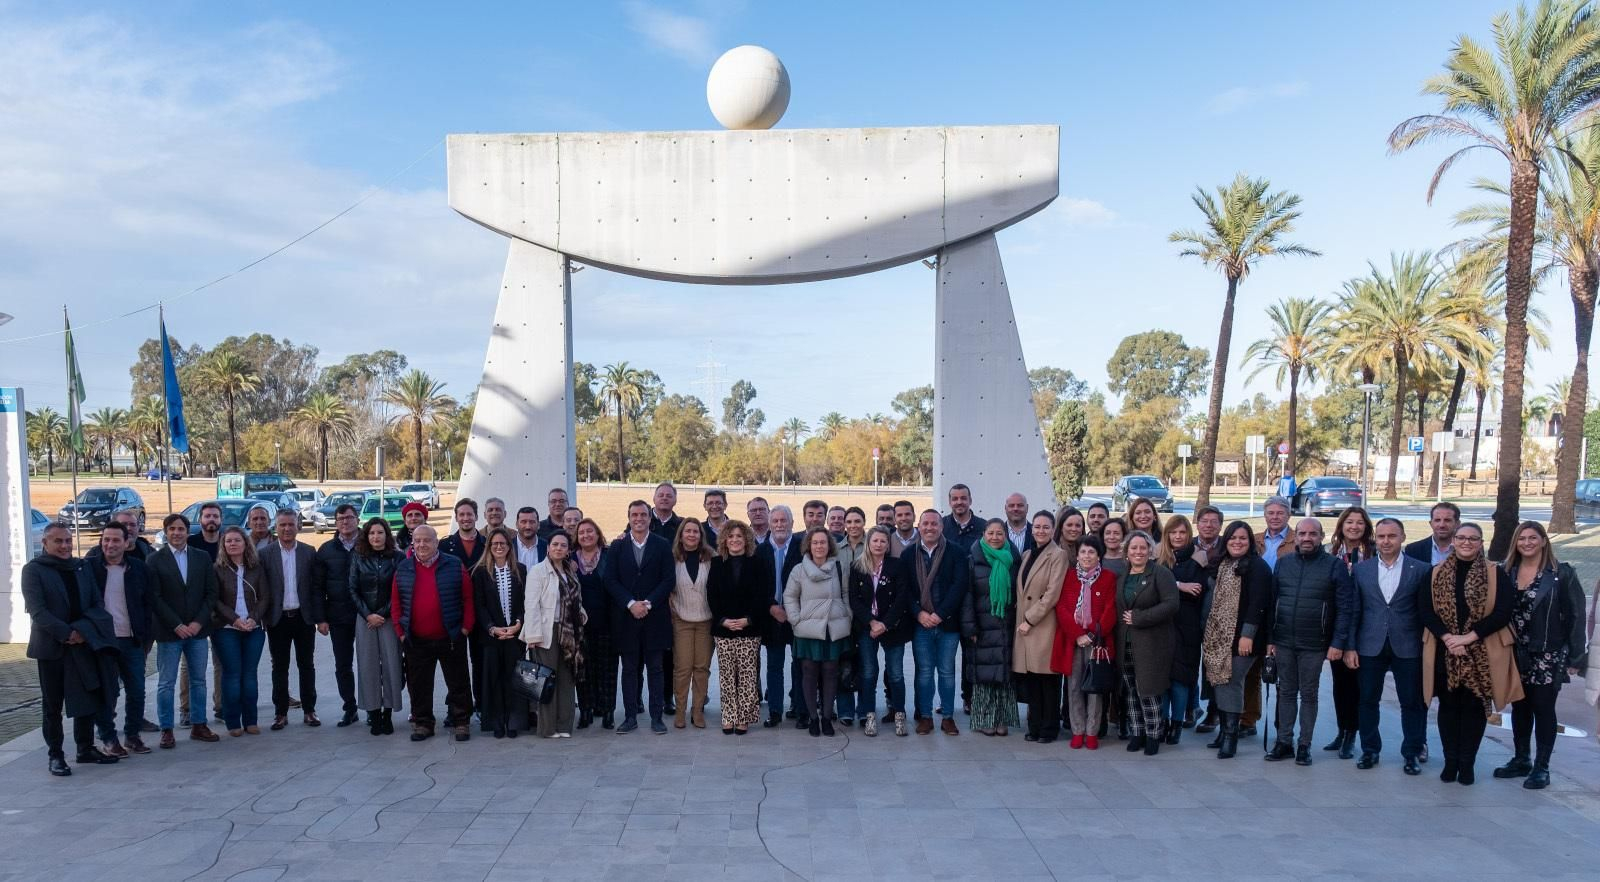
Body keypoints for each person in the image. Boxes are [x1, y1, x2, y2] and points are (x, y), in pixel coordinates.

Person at [1420, 522, 1520, 785]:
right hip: (1446, 652)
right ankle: (1450, 760)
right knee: (1449, 707)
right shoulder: (1436, 573)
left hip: (1481, 652)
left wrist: (1469, 637)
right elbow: (1425, 610)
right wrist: (1449, 638)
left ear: (1481, 543)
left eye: (1473, 538)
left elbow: (1502, 612)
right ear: (1453, 540)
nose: (1466, 542)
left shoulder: (1496, 574)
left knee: (1474, 709)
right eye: (1461, 537)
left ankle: (1467, 763)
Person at [1493, 521, 1588, 789]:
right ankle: (1521, 758)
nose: (1527, 543)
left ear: (1544, 541)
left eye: (1533, 538)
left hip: (1548, 652)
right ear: (1516, 542)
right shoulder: (1506, 571)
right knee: (1519, 707)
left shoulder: (1561, 573)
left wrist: (1575, 657)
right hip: (1514, 651)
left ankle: (1542, 767)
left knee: (1543, 709)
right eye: (1522, 538)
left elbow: (1576, 615)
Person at [25, 522, 118, 775]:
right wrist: (67, 634)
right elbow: (38, 610)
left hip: (83, 643)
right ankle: (55, 755)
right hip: (52, 648)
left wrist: (83, 633)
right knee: (53, 705)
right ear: (45, 543)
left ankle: (85, 748)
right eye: (58, 541)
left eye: (68, 541)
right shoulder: (33, 570)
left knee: (87, 698)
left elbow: (96, 604)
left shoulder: (82, 567)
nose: (65, 546)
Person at [1339, 517, 1430, 774]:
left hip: (1408, 645)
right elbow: (1354, 610)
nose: (1386, 541)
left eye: (1392, 536)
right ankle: (1370, 750)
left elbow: (1424, 612)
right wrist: (1350, 646)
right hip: (1370, 645)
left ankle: (1412, 752)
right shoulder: (1361, 570)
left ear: (1402, 538)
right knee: (1367, 700)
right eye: (1381, 537)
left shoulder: (1420, 569)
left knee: (1412, 702)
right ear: (1375, 539)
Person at [1265, 519, 1353, 767]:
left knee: (1309, 694)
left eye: (1313, 534)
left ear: (1321, 536)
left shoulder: (1334, 566)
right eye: (1302, 533)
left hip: (1315, 642)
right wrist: (1270, 639)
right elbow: (1273, 603)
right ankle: (1284, 742)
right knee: (1286, 692)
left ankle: (1304, 745)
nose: (1307, 538)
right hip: (1283, 640)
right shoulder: (1283, 564)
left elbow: (1345, 608)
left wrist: (1337, 642)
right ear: (1296, 536)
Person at [392, 525, 475, 742]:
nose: (421, 544)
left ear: (436, 542)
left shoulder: (454, 565)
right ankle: (423, 723)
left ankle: (461, 722)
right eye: (417, 540)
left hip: (450, 637)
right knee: (419, 685)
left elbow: (468, 598)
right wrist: (401, 632)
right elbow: (396, 603)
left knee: (458, 683)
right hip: (416, 640)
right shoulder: (404, 568)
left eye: (426, 540)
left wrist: (465, 628)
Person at [1200, 521, 1272, 759]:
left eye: (1243, 538)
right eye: (1233, 538)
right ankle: (1223, 731)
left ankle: (1231, 736)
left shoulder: (1258, 567)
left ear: (1250, 542)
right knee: (1219, 682)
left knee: (1231, 682)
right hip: (1218, 636)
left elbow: (1258, 605)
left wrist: (1247, 636)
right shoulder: (1222, 564)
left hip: (1243, 638)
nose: (1237, 542)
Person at [149, 513, 220, 748]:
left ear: (187, 532)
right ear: (166, 532)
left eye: (181, 529)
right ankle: (167, 729)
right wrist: (176, 625)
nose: (177, 533)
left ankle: (199, 724)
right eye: (172, 529)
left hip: (197, 632)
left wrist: (198, 623)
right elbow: (154, 598)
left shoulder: (201, 558)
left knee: (198, 680)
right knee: (166, 682)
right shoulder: (155, 560)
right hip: (170, 633)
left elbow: (211, 594)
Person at [606, 500, 674, 734]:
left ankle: (657, 718)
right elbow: (610, 580)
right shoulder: (617, 546)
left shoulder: (662, 545)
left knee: (656, 669)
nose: (639, 519)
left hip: (654, 618)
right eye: (634, 514)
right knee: (629, 669)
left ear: (649, 518)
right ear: (629, 517)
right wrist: (630, 603)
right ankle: (630, 716)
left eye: (643, 514)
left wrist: (648, 603)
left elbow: (668, 580)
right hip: (626, 619)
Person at [85, 522, 152, 757]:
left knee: (137, 690)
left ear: (126, 543)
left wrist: (144, 636)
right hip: (103, 642)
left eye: (115, 540)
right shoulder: (89, 568)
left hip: (131, 640)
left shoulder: (138, 568)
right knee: (108, 693)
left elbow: (147, 604)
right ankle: (109, 738)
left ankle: (132, 736)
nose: (110, 544)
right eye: (106, 539)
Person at [904, 509, 969, 735]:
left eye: (934, 524)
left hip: (948, 624)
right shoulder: (908, 554)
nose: (930, 528)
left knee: (947, 672)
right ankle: (925, 716)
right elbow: (905, 590)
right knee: (923, 672)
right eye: (925, 524)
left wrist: (940, 614)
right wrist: (919, 614)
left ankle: (948, 717)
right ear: (918, 527)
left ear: (941, 527)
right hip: (920, 624)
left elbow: (959, 586)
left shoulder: (956, 552)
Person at [1115, 530, 1179, 755]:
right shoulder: (1123, 576)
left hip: (1153, 644)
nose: (1138, 552)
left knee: (1148, 690)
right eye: (1133, 548)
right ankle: (1137, 732)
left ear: (1150, 550)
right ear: (1127, 551)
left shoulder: (1161, 574)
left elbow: (1171, 604)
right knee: (1131, 690)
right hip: (1127, 644)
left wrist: (1140, 617)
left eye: (1143, 547)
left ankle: (1153, 734)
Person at [850, 525, 916, 737]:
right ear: (868, 543)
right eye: (875, 540)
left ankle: (899, 715)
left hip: (893, 628)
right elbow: (854, 599)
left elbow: (901, 598)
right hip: (867, 628)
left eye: (883, 541)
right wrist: (871, 622)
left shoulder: (897, 566)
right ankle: (869, 715)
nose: (879, 544)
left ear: (888, 545)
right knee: (869, 672)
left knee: (895, 673)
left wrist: (884, 624)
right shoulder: (857, 566)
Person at [785, 527, 852, 737]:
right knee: (809, 673)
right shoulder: (798, 570)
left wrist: (846, 616)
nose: (819, 546)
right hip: (808, 630)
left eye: (823, 542)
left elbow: (846, 594)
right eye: (815, 542)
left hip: (833, 628)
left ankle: (826, 717)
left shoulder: (839, 568)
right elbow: (790, 597)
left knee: (831, 673)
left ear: (829, 545)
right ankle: (813, 718)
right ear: (809, 546)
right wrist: (796, 620)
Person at [261, 509, 323, 730]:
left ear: (298, 526)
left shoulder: (309, 552)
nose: (287, 529)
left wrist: (319, 617)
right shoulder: (266, 554)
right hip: (277, 620)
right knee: (280, 667)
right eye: (282, 525)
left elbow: (316, 588)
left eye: (291, 524)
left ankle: (309, 710)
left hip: (303, 618)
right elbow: (262, 589)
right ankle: (280, 713)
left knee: (307, 665)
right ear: (275, 527)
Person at [1053, 534, 1115, 749]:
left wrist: (1092, 634)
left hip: (1097, 642)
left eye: (1091, 552)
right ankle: (1077, 730)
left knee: (1095, 689)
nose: (1087, 556)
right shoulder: (1069, 577)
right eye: (1083, 552)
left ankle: (1092, 732)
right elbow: (1061, 608)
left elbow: (1110, 610)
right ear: (1077, 555)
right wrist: (1077, 634)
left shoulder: (1108, 578)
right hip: (1073, 642)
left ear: (1099, 555)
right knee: (1074, 687)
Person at [525, 532, 587, 738]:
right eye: (555, 544)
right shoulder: (538, 571)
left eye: (563, 545)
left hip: (569, 631)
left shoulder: (570, 571)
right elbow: (531, 605)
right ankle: (548, 727)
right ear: (548, 547)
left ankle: (563, 725)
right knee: (547, 680)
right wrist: (533, 636)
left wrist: (582, 616)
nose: (559, 548)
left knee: (567, 678)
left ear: (568, 550)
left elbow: (576, 600)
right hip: (546, 631)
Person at [708, 519, 768, 735]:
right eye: (731, 536)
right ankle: (728, 716)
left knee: (747, 675)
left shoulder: (757, 563)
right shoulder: (716, 564)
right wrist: (722, 620)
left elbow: (763, 596)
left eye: (739, 536)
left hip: (749, 629)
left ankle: (743, 717)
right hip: (724, 628)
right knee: (726, 674)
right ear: (724, 539)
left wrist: (748, 620)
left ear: (746, 539)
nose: (735, 540)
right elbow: (711, 596)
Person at [1324, 506, 1375, 758]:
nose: (1354, 527)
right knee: (1340, 684)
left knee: (1359, 686)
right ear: (1341, 525)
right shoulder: (1330, 553)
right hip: (1337, 628)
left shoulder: (1374, 553)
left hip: (1367, 629)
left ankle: (1354, 733)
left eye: (1360, 523)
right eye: (1349, 522)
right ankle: (1342, 729)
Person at [963, 519, 1020, 736]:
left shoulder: (1013, 560)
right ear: (983, 535)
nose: (995, 537)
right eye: (991, 533)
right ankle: (984, 719)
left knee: (1004, 677)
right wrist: (970, 628)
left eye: (999, 533)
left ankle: (1002, 719)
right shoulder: (973, 560)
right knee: (984, 677)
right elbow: (967, 597)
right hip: (983, 627)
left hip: (1006, 625)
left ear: (1006, 536)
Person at [1013, 512, 1066, 743]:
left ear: (1053, 529)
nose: (1041, 531)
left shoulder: (1059, 555)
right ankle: (1034, 726)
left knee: (1048, 682)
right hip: (1025, 626)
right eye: (1037, 527)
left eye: (1046, 527)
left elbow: (1052, 594)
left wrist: (1030, 619)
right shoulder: (1027, 554)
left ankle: (1049, 728)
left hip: (1042, 625)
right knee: (1032, 680)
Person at [211, 526, 268, 737]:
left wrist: (253, 619)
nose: (232, 544)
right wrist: (235, 620)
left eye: (237, 540)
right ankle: (233, 722)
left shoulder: (257, 568)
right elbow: (214, 600)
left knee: (249, 675)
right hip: (226, 629)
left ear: (245, 543)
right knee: (232, 675)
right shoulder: (217, 569)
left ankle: (251, 720)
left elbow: (265, 597)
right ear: (223, 546)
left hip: (253, 628)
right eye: (228, 541)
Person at [349, 517, 404, 735]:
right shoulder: (358, 557)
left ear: (386, 535)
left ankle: (387, 714)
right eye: (372, 533)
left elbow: (399, 589)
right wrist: (368, 614)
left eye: (380, 533)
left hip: (389, 619)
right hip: (365, 620)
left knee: (391, 665)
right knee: (368, 665)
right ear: (366, 535)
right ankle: (373, 714)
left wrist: (382, 614)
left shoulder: (397, 558)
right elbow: (352, 588)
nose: (376, 537)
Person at [472, 527, 528, 738]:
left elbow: (524, 601)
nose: (498, 547)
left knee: (514, 678)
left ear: (508, 547)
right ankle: (496, 721)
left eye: (502, 544)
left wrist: (518, 624)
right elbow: (480, 605)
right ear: (489, 547)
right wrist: (491, 628)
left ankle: (514, 721)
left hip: (514, 635)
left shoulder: (520, 570)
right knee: (493, 679)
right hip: (491, 636)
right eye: (494, 544)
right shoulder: (480, 572)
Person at [314, 504, 362, 727]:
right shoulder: (326, 550)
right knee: (343, 665)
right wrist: (320, 618)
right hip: (338, 616)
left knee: (370, 664)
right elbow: (317, 587)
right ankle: (349, 708)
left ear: (357, 519)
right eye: (341, 518)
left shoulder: (369, 543)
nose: (345, 522)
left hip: (366, 617)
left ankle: (372, 707)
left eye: (349, 518)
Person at [1157, 515, 1203, 746]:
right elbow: (1153, 585)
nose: (1177, 536)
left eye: (1182, 532)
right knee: (1163, 678)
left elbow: (1198, 590)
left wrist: (1174, 586)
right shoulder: (1159, 559)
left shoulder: (1198, 559)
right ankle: (1163, 721)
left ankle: (1177, 723)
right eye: (1173, 532)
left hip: (1188, 626)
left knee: (1181, 679)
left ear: (1188, 534)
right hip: (1162, 626)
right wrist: (1178, 586)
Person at [760, 505, 806, 728]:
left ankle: (798, 707)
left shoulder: (801, 548)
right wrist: (771, 607)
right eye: (775, 521)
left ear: (791, 523)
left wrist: (792, 610)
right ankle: (775, 710)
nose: (779, 525)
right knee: (774, 666)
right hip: (771, 617)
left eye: (783, 520)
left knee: (799, 664)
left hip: (797, 616)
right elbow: (756, 588)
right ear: (769, 524)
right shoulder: (759, 551)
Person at [670, 518, 714, 729]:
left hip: (706, 620)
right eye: (687, 531)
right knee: (682, 668)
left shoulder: (710, 557)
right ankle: (680, 711)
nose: (691, 535)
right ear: (681, 534)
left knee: (701, 668)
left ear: (700, 535)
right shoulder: (673, 558)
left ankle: (697, 711)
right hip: (681, 620)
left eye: (695, 531)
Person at [573, 517, 616, 729]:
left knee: (607, 669)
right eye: (581, 533)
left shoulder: (609, 556)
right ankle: (586, 710)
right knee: (583, 670)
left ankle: (608, 712)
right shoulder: (570, 559)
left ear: (598, 534)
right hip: (579, 626)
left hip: (607, 622)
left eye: (590, 531)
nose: (586, 535)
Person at [832, 506, 869, 725]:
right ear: (844, 525)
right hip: (842, 616)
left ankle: (864, 709)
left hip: (866, 617)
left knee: (866, 664)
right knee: (843, 663)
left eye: (857, 521)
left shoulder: (872, 546)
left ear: (864, 522)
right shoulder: (836, 549)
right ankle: (845, 710)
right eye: (850, 522)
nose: (853, 526)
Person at [648, 484, 682, 716]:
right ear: (654, 498)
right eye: (661, 495)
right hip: (644, 596)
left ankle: (667, 697)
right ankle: (642, 699)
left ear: (675, 500)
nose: (664, 499)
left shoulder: (680, 526)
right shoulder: (640, 521)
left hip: (672, 594)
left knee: (668, 651)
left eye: (669, 495)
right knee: (642, 651)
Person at [1406, 502, 1460, 567]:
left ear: (1457, 524)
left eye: (1447, 520)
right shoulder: (1413, 550)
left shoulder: (1467, 549)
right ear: (1431, 523)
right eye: (1437, 520)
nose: (1442, 525)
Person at [1258, 498, 1292, 568]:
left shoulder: (1298, 541)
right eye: (1271, 513)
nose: (1275, 517)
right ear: (1265, 515)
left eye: (1280, 513)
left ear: (1288, 515)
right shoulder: (1253, 540)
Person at [514, 507, 548, 571]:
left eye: (532, 522)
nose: (528, 526)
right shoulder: (508, 547)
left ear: (538, 525)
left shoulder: (547, 547)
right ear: (516, 524)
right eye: (523, 522)